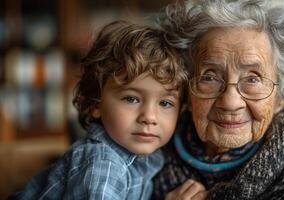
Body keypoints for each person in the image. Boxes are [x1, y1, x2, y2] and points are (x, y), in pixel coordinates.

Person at [151, 0, 284, 199]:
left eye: (252, 79)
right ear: (187, 93)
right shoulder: (146, 149)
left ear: (280, 97)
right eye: (209, 77)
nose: (230, 102)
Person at [9, 20, 187, 199]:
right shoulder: (103, 163)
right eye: (131, 99)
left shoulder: (150, 156)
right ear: (96, 103)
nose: (149, 117)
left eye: (165, 103)